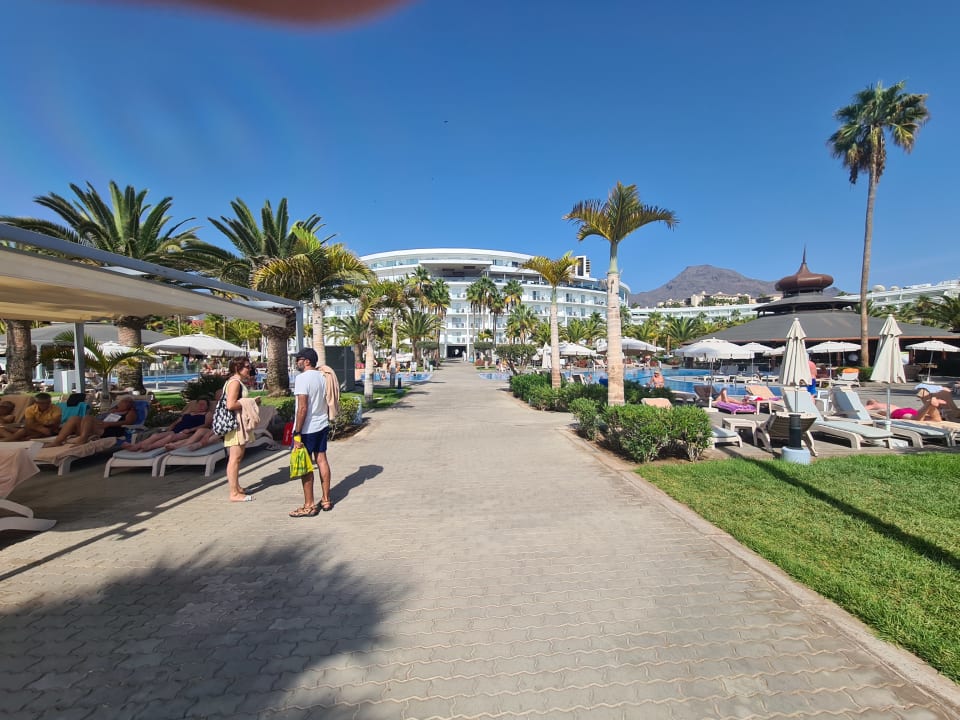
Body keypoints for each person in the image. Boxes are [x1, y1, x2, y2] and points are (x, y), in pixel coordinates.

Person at [288, 348, 333, 517]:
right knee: (321, 460)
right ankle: (326, 499)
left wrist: (297, 432)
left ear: (307, 361)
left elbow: (302, 408)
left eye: (299, 359)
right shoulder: (322, 377)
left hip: (307, 429)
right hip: (321, 424)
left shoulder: (302, 378)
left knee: (306, 466)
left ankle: (309, 505)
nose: (296, 362)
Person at [120, 398, 211, 452]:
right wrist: (170, 426)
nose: (201, 406)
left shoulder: (207, 414)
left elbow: (206, 425)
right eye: (199, 404)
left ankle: (150, 447)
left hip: (188, 432)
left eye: (203, 404)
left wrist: (191, 430)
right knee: (156, 435)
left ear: (207, 406)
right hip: (176, 429)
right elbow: (178, 421)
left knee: (170, 438)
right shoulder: (190, 412)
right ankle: (135, 446)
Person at [222, 357, 256, 503]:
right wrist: (251, 402)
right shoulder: (235, 383)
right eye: (247, 367)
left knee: (238, 457)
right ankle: (234, 493)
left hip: (239, 424)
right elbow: (230, 405)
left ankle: (237, 487)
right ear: (237, 368)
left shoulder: (237, 382)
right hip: (235, 425)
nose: (250, 369)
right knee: (234, 459)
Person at [44, 396, 138, 447]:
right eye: (124, 401)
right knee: (74, 418)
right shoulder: (113, 410)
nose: (126, 403)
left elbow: (128, 422)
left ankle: (83, 439)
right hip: (96, 427)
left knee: (88, 417)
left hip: (110, 430)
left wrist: (109, 424)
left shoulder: (130, 412)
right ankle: (58, 441)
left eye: (129, 402)